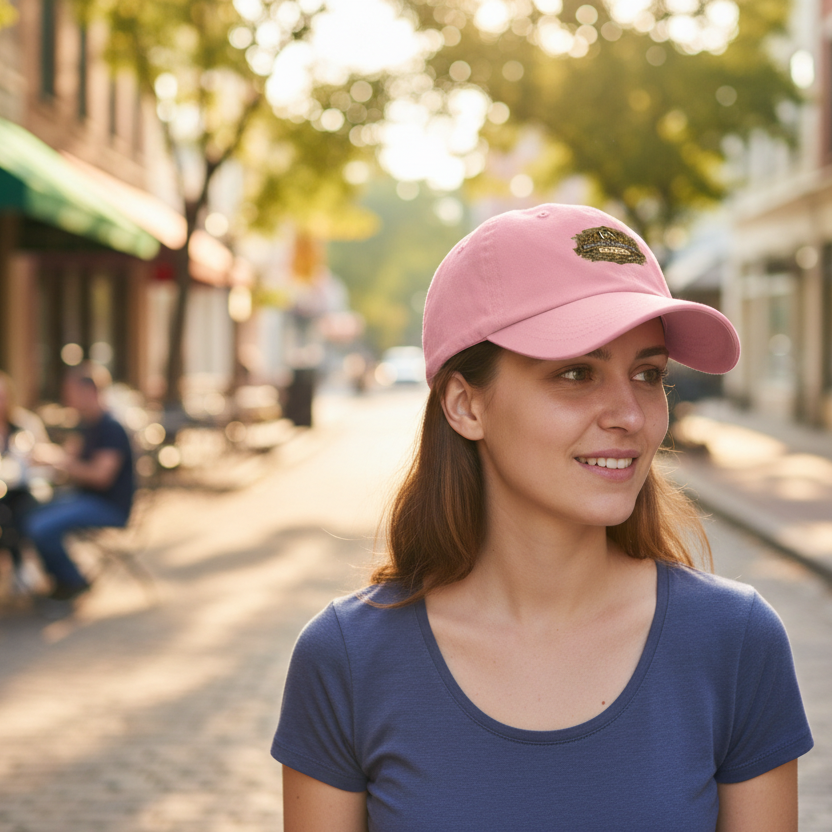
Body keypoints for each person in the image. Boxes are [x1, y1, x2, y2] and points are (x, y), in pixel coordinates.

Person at [272, 205, 813, 831]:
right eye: (577, 372)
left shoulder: (735, 644)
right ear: (465, 405)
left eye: (648, 374)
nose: (630, 416)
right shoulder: (347, 660)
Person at [26, 362, 134, 601]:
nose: (67, 399)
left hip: (108, 506)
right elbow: (68, 457)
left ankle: (72, 581)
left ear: (89, 392)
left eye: (71, 393)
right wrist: (51, 458)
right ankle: (59, 579)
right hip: (84, 498)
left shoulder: (111, 427)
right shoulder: (88, 425)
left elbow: (100, 477)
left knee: (41, 526)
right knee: (28, 513)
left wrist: (61, 463)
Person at [0, 371, 40, 586]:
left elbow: (42, 459)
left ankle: (20, 567)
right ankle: (18, 568)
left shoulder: (25, 425)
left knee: (14, 516)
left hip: (25, 489)